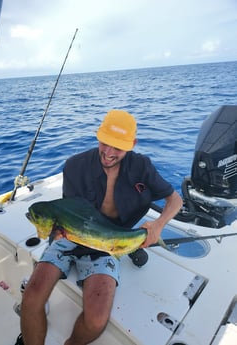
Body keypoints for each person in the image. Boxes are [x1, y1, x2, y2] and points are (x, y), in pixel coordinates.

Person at [20, 109, 183, 345]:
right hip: (67, 237)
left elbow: (174, 200)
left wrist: (157, 225)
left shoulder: (142, 167)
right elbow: (68, 213)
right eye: (105, 143)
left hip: (107, 245)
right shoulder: (75, 165)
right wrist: (54, 232)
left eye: (117, 147)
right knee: (32, 296)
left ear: (132, 144)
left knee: (96, 320)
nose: (108, 153)